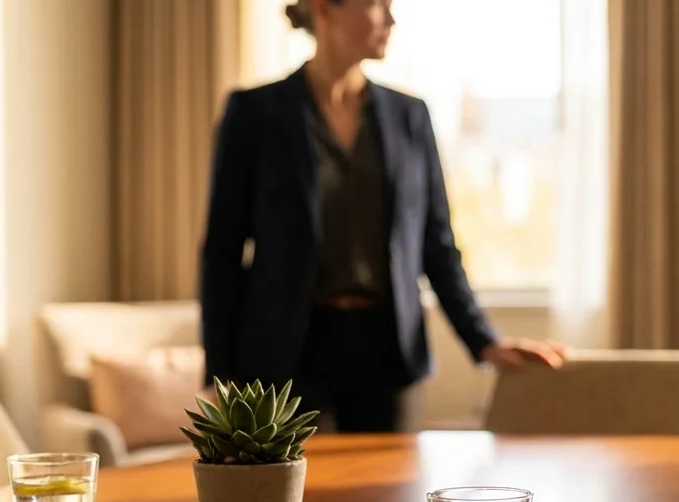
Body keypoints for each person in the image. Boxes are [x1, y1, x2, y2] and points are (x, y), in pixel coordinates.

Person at [199, 0, 566, 433]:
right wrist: (221, 371)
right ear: (325, 10)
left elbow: (437, 245)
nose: (391, 19)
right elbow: (222, 252)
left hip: (388, 353)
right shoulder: (255, 114)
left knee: (387, 497)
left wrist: (483, 339)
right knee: (302, 500)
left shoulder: (409, 115)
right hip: (287, 357)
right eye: (377, 5)